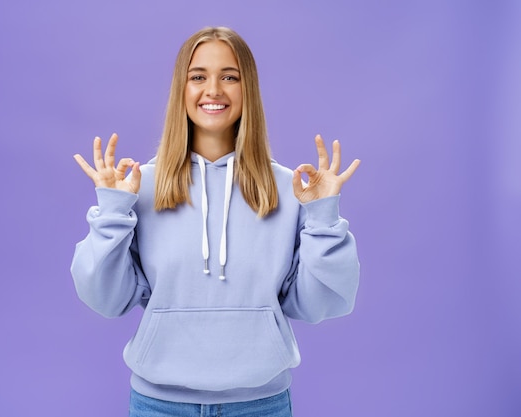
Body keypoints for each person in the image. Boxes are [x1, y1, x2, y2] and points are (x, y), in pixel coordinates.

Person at [71, 26, 360, 417]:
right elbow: (107, 299)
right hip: (159, 405)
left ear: (248, 89)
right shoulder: (139, 187)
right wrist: (111, 211)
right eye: (198, 77)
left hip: (261, 405)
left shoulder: (289, 188)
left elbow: (317, 304)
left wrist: (323, 216)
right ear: (181, 89)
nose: (214, 90)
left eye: (229, 76)